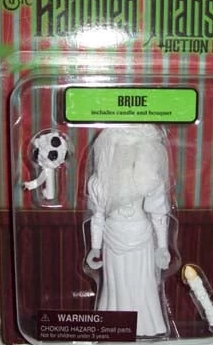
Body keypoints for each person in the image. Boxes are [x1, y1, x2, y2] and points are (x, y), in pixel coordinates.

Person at [86, 125, 171, 337]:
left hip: (141, 237)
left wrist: (162, 246)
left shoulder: (149, 181)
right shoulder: (100, 183)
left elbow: (158, 213)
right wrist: (95, 248)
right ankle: (115, 325)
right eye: (120, 149)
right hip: (112, 237)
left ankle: (145, 326)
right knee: (116, 283)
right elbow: (97, 216)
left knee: (142, 282)